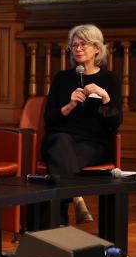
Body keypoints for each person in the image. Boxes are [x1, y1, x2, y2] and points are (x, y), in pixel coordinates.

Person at [41, 24, 122, 224]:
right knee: (60, 142)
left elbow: (114, 123)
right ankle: (77, 197)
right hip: (59, 138)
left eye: (83, 44)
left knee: (58, 166)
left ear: (97, 49)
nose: (78, 49)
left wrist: (104, 97)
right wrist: (69, 106)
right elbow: (49, 120)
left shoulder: (109, 79)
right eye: (74, 45)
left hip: (91, 144)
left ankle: (60, 224)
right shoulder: (62, 78)